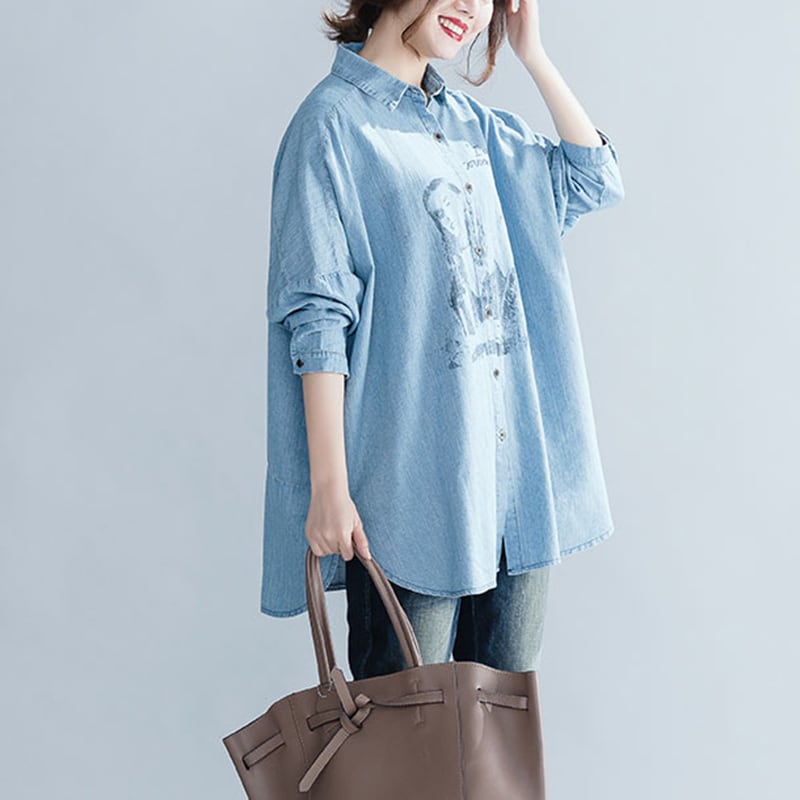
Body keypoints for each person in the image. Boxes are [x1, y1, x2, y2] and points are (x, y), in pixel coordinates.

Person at [260, 0, 625, 683]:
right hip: (410, 500)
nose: (472, 8)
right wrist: (329, 487)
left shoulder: (473, 127)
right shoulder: (330, 127)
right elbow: (318, 319)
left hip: (512, 493)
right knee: (407, 733)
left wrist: (534, 56)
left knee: (503, 736)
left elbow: (591, 179)